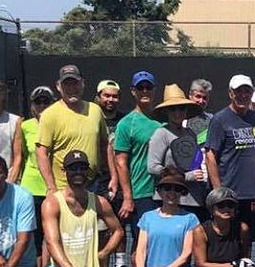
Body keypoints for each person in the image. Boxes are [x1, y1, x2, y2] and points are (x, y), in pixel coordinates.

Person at [41, 150, 123, 267]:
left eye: (82, 168)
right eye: (73, 168)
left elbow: (118, 231)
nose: (78, 172)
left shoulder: (100, 202)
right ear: (64, 171)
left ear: (88, 171)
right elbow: (51, 242)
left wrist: (104, 253)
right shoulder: (52, 203)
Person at [133, 167, 200, 267]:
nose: (172, 192)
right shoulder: (147, 217)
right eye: (167, 188)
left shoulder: (190, 218)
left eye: (177, 189)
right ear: (160, 191)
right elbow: (140, 250)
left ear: (182, 193)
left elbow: (186, 253)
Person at [36, 64, 108, 194]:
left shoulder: (95, 110)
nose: (71, 89)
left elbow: (105, 145)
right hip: (63, 188)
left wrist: (112, 177)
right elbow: (41, 153)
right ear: (58, 86)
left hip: (93, 185)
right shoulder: (49, 115)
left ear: (83, 83)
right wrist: (51, 187)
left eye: (75, 83)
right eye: (66, 84)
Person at [205, 74, 255, 235]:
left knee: (246, 239)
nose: (243, 95)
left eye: (247, 91)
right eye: (238, 91)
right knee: (227, 239)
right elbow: (210, 155)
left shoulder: (253, 117)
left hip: (251, 195)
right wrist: (218, 192)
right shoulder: (220, 119)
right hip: (228, 195)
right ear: (231, 93)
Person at [114, 71, 162, 253]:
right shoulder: (127, 124)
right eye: (140, 87)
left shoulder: (163, 119)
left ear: (154, 90)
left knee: (159, 241)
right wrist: (128, 197)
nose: (145, 91)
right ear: (133, 91)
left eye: (148, 87)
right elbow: (121, 162)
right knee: (141, 243)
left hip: (166, 192)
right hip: (141, 193)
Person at [147, 84, 207, 219]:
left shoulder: (191, 133)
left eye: (181, 108)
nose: (178, 112)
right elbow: (152, 167)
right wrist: (185, 177)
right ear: (166, 112)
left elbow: (194, 164)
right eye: (173, 109)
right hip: (171, 200)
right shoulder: (161, 133)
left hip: (194, 199)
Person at [21, 86, 55, 267]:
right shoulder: (24, 127)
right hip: (30, 190)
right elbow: (20, 156)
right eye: (38, 102)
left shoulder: (56, 122)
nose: (42, 105)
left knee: (51, 240)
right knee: (33, 241)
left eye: (46, 101)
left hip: (54, 190)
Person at [91, 78, 125, 210]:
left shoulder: (125, 120)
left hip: (122, 179)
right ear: (98, 97)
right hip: (96, 179)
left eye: (114, 96)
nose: (110, 99)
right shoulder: (91, 118)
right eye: (106, 95)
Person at [185, 78, 216, 145]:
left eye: (205, 98)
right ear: (190, 95)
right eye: (198, 96)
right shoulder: (180, 118)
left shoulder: (212, 120)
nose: (201, 101)